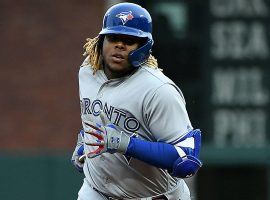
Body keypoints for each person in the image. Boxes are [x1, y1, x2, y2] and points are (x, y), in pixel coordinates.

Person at [71, 2, 202, 200]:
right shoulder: (88, 71)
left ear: (143, 47)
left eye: (129, 40)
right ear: (101, 40)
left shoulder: (158, 90)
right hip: (96, 191)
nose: (119, 45)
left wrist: (126, 144)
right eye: (114, 37)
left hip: (153, 196)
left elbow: (186, 158)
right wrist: (86, 144)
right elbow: (97, 118)